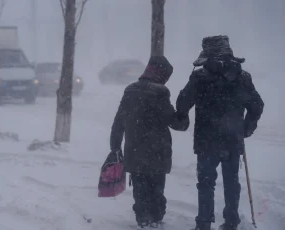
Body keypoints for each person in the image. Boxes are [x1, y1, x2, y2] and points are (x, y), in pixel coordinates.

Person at [175, 35, 264, 230]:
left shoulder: (200, 77)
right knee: (232, 182)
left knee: (206, 183)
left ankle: (204, 223)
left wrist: (182, 116)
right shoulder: (242, 77)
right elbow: (257, 105)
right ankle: (231, 222)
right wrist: (246, 128)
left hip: (206, 140)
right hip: (232, 139)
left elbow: (182, 103)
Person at [110, 55, 189, 228]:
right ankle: (155, 218)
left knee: (140, 188)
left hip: (135, 150)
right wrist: (183, 113)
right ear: (162, 74)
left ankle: (143, 219)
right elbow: (176, 123)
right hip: (157, 151)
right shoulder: (160, 92)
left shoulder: (130, 90)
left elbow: (119, 121)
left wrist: (115, 146)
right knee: (156, 188)